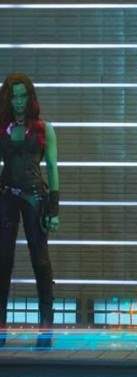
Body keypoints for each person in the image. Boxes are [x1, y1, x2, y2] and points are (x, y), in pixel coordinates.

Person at [0, 73, 60, 349]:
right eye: (14, 96)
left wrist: (54, 208)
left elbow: (53, 168)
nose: (19, 101)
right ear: (7, 98)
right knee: (3, 261)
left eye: (23, 96)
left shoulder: (44, 129)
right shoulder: (2, 128)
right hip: (6, 197)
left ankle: (46, 326)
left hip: (36, 198)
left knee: (41, 261)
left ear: (30, 97)